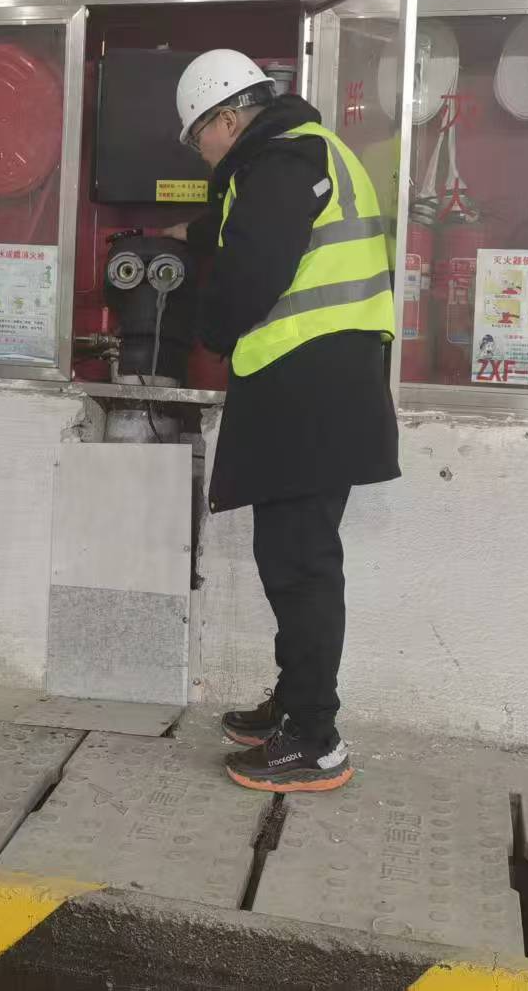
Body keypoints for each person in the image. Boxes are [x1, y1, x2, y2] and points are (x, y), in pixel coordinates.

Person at [168, 49, 400, 792]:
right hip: (328, 382)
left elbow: (252, 271)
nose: (203, 155)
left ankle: (315, 738)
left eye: (198, 139)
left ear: (226, 119)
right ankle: (295, 705)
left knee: (300, 564)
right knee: (293, 558)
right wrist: (189, 236)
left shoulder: (278, 163)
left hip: (308, 386)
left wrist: (207, 332)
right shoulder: (310, 151)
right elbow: (255, 232)